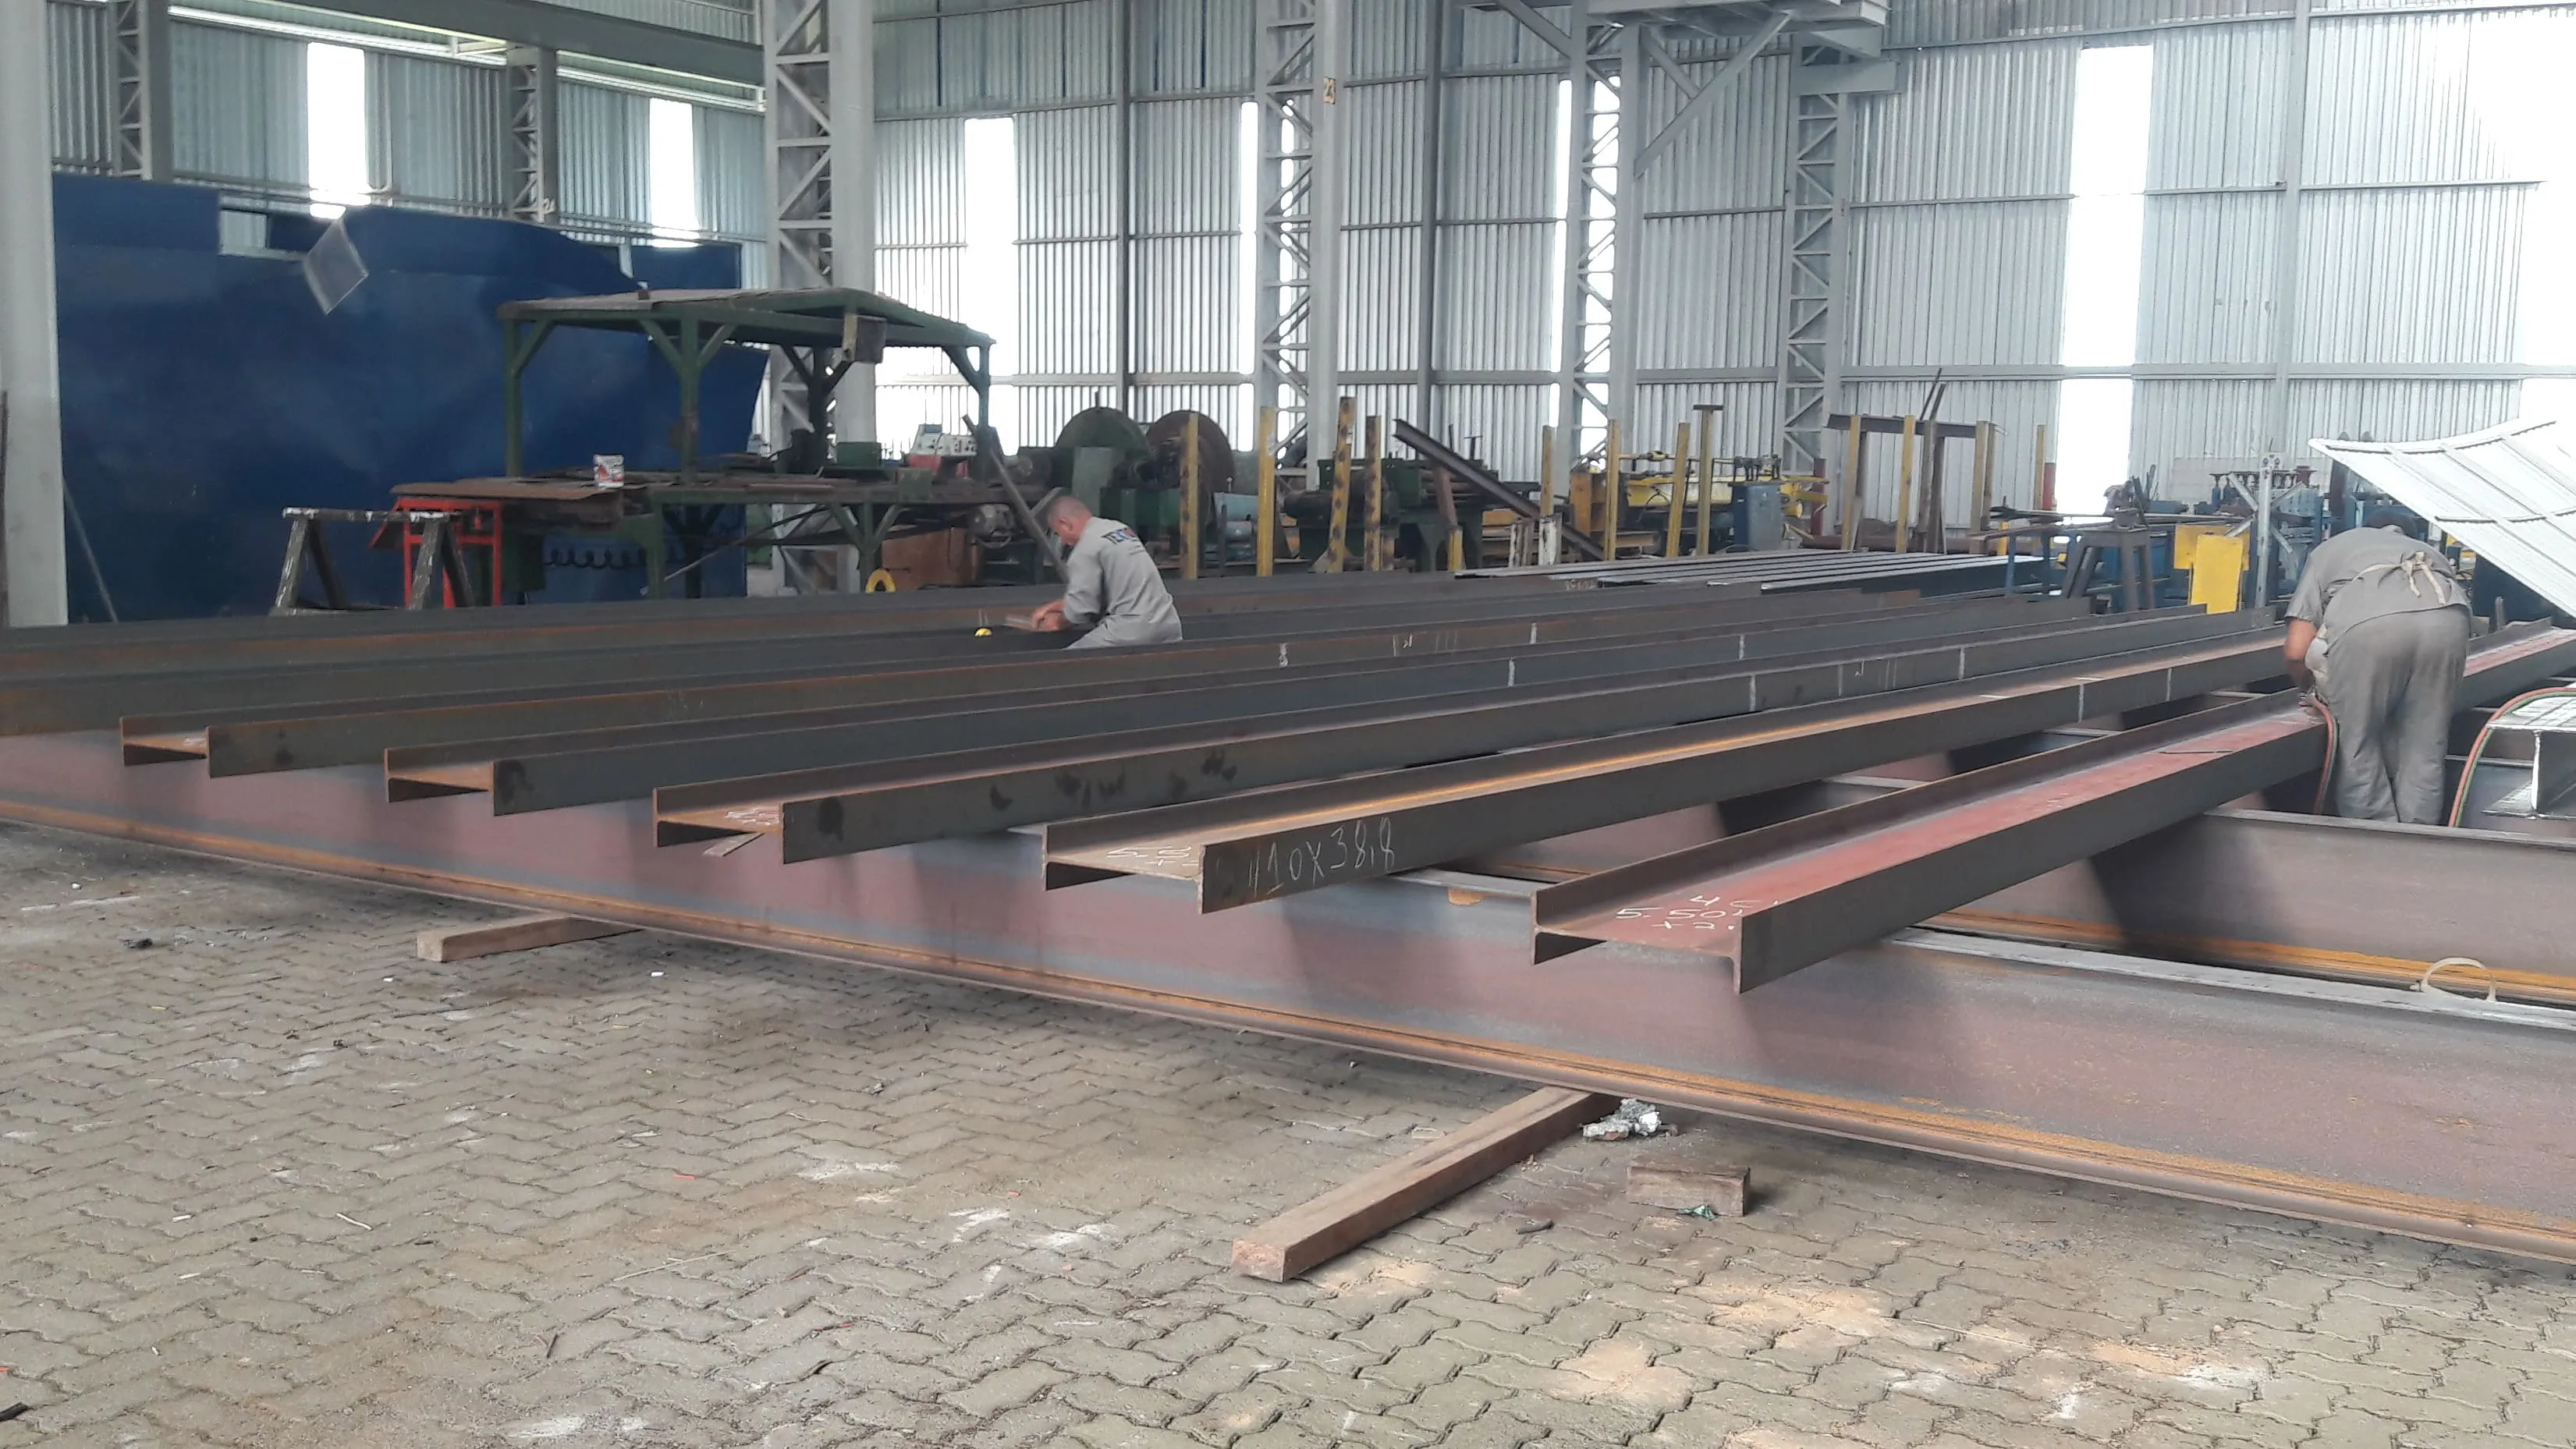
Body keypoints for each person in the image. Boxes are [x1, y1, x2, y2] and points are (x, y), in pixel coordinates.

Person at [2283, 510, 2471, 824]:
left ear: (2365, 529)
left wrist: (2313, 692)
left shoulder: (2333, 549)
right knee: (2425, 746)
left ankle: (2374, 837)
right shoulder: (2431, 554)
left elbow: (2296, 651)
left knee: (2358, 744)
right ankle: (2419, 839)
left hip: (2372, 628)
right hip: (2448, 622)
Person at [1026, 491, 1183, 649]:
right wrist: (1052, 607)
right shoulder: (1119, 528)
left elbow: (1082, 608)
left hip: (1133, 629)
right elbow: (1109, 592)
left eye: (1058, 533)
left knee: (1065, 661)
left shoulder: (1085, 549)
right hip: (1168, 624)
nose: (1063, 541)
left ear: (1065, 523)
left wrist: (1057, 621)